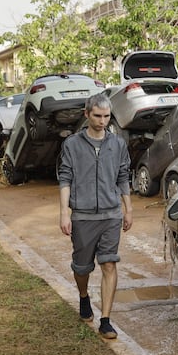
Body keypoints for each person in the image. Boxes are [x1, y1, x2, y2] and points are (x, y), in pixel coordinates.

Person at [58, 93, 133, 339]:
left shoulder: (118, 144)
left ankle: (106, 320)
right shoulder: (72, 145)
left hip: (111, 215)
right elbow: (65, 178)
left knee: (109, 263)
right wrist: (64, 214)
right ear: (87, 114)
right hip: (82, 216)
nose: (103, 121)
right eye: (98, 116)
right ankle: (83, 296)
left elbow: (123, 177)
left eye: (107, 116)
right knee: (82, 268)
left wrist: (128, 209)